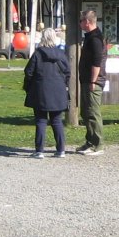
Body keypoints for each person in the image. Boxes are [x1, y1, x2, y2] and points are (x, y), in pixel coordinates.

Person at [22, 27, 70, 159]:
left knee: (41, 120)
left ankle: (39, 151)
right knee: (57, 121)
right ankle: (61, 150)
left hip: (40, 90)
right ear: (54, 38)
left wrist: (28, 87)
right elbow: (67, 73)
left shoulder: (37, 54)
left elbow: (28, 72)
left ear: (42, 37)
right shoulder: (61, 54)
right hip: (58, 91)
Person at [76, 8, 108, 156]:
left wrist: (93, 81)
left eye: (81, 21)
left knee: (93, 112)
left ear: (87, 22)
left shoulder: (95, 39)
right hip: (86, 80)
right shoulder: (90, 36)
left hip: (93, 82)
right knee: (85, 111)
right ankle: (90, 141)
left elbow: (97, 63)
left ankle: (98, 145)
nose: (80, 24)